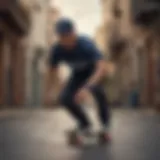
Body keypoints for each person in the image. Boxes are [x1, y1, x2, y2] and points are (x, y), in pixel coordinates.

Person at [45, 18, 110, 142]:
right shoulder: (57, 49)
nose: (64, 40)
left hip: (93, 73)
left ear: (73, 33)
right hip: (77, 75)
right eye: (61, 37)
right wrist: (50, 91)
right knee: (64, 98)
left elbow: (101, 68)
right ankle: (85, 124)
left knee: (99, 92)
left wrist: (87, 88)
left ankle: (105, 125)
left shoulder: (86, 44)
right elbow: (52, 71)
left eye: (67, 36)